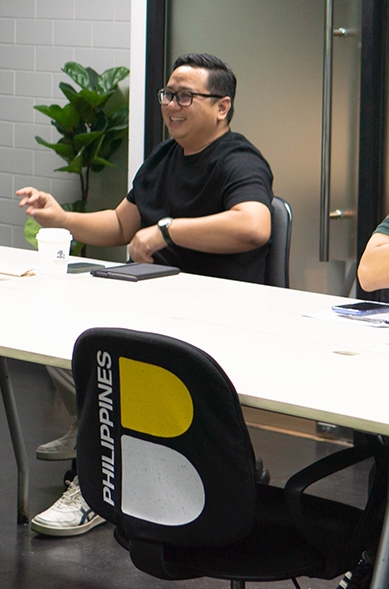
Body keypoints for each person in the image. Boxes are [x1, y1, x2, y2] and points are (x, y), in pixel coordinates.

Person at [16, 52, 273, 537]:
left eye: (185, 96)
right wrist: (61, 218)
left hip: (210, 309)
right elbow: (121, 223)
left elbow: (254, 225)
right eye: (168, 95)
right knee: (61, 331)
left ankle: (95, 482)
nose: (172, 105)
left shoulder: (238, 159)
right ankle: (94, 433)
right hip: (153, 298)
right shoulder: (163, 157)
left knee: (105, 347)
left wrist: (168, 230)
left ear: (222, 107)